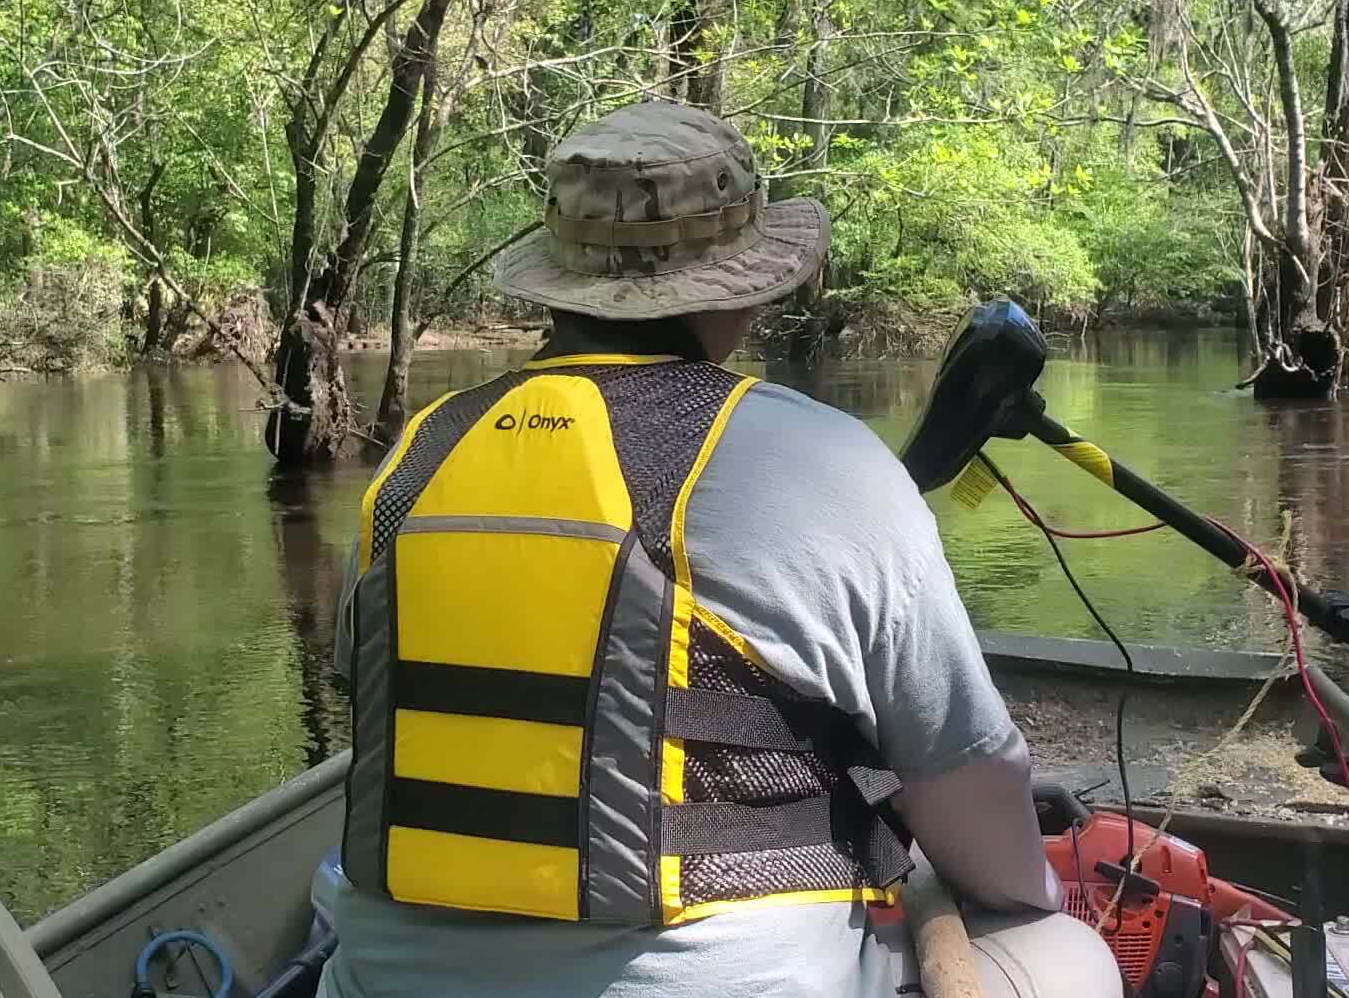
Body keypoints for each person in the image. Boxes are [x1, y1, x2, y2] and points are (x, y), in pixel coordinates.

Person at [320, 100, 1116, 997]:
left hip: (380, 985)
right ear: (740, 286)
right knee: (1073, 956)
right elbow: (967, 787)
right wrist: (1030, 892)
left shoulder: (414, 461)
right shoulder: (824, 460)